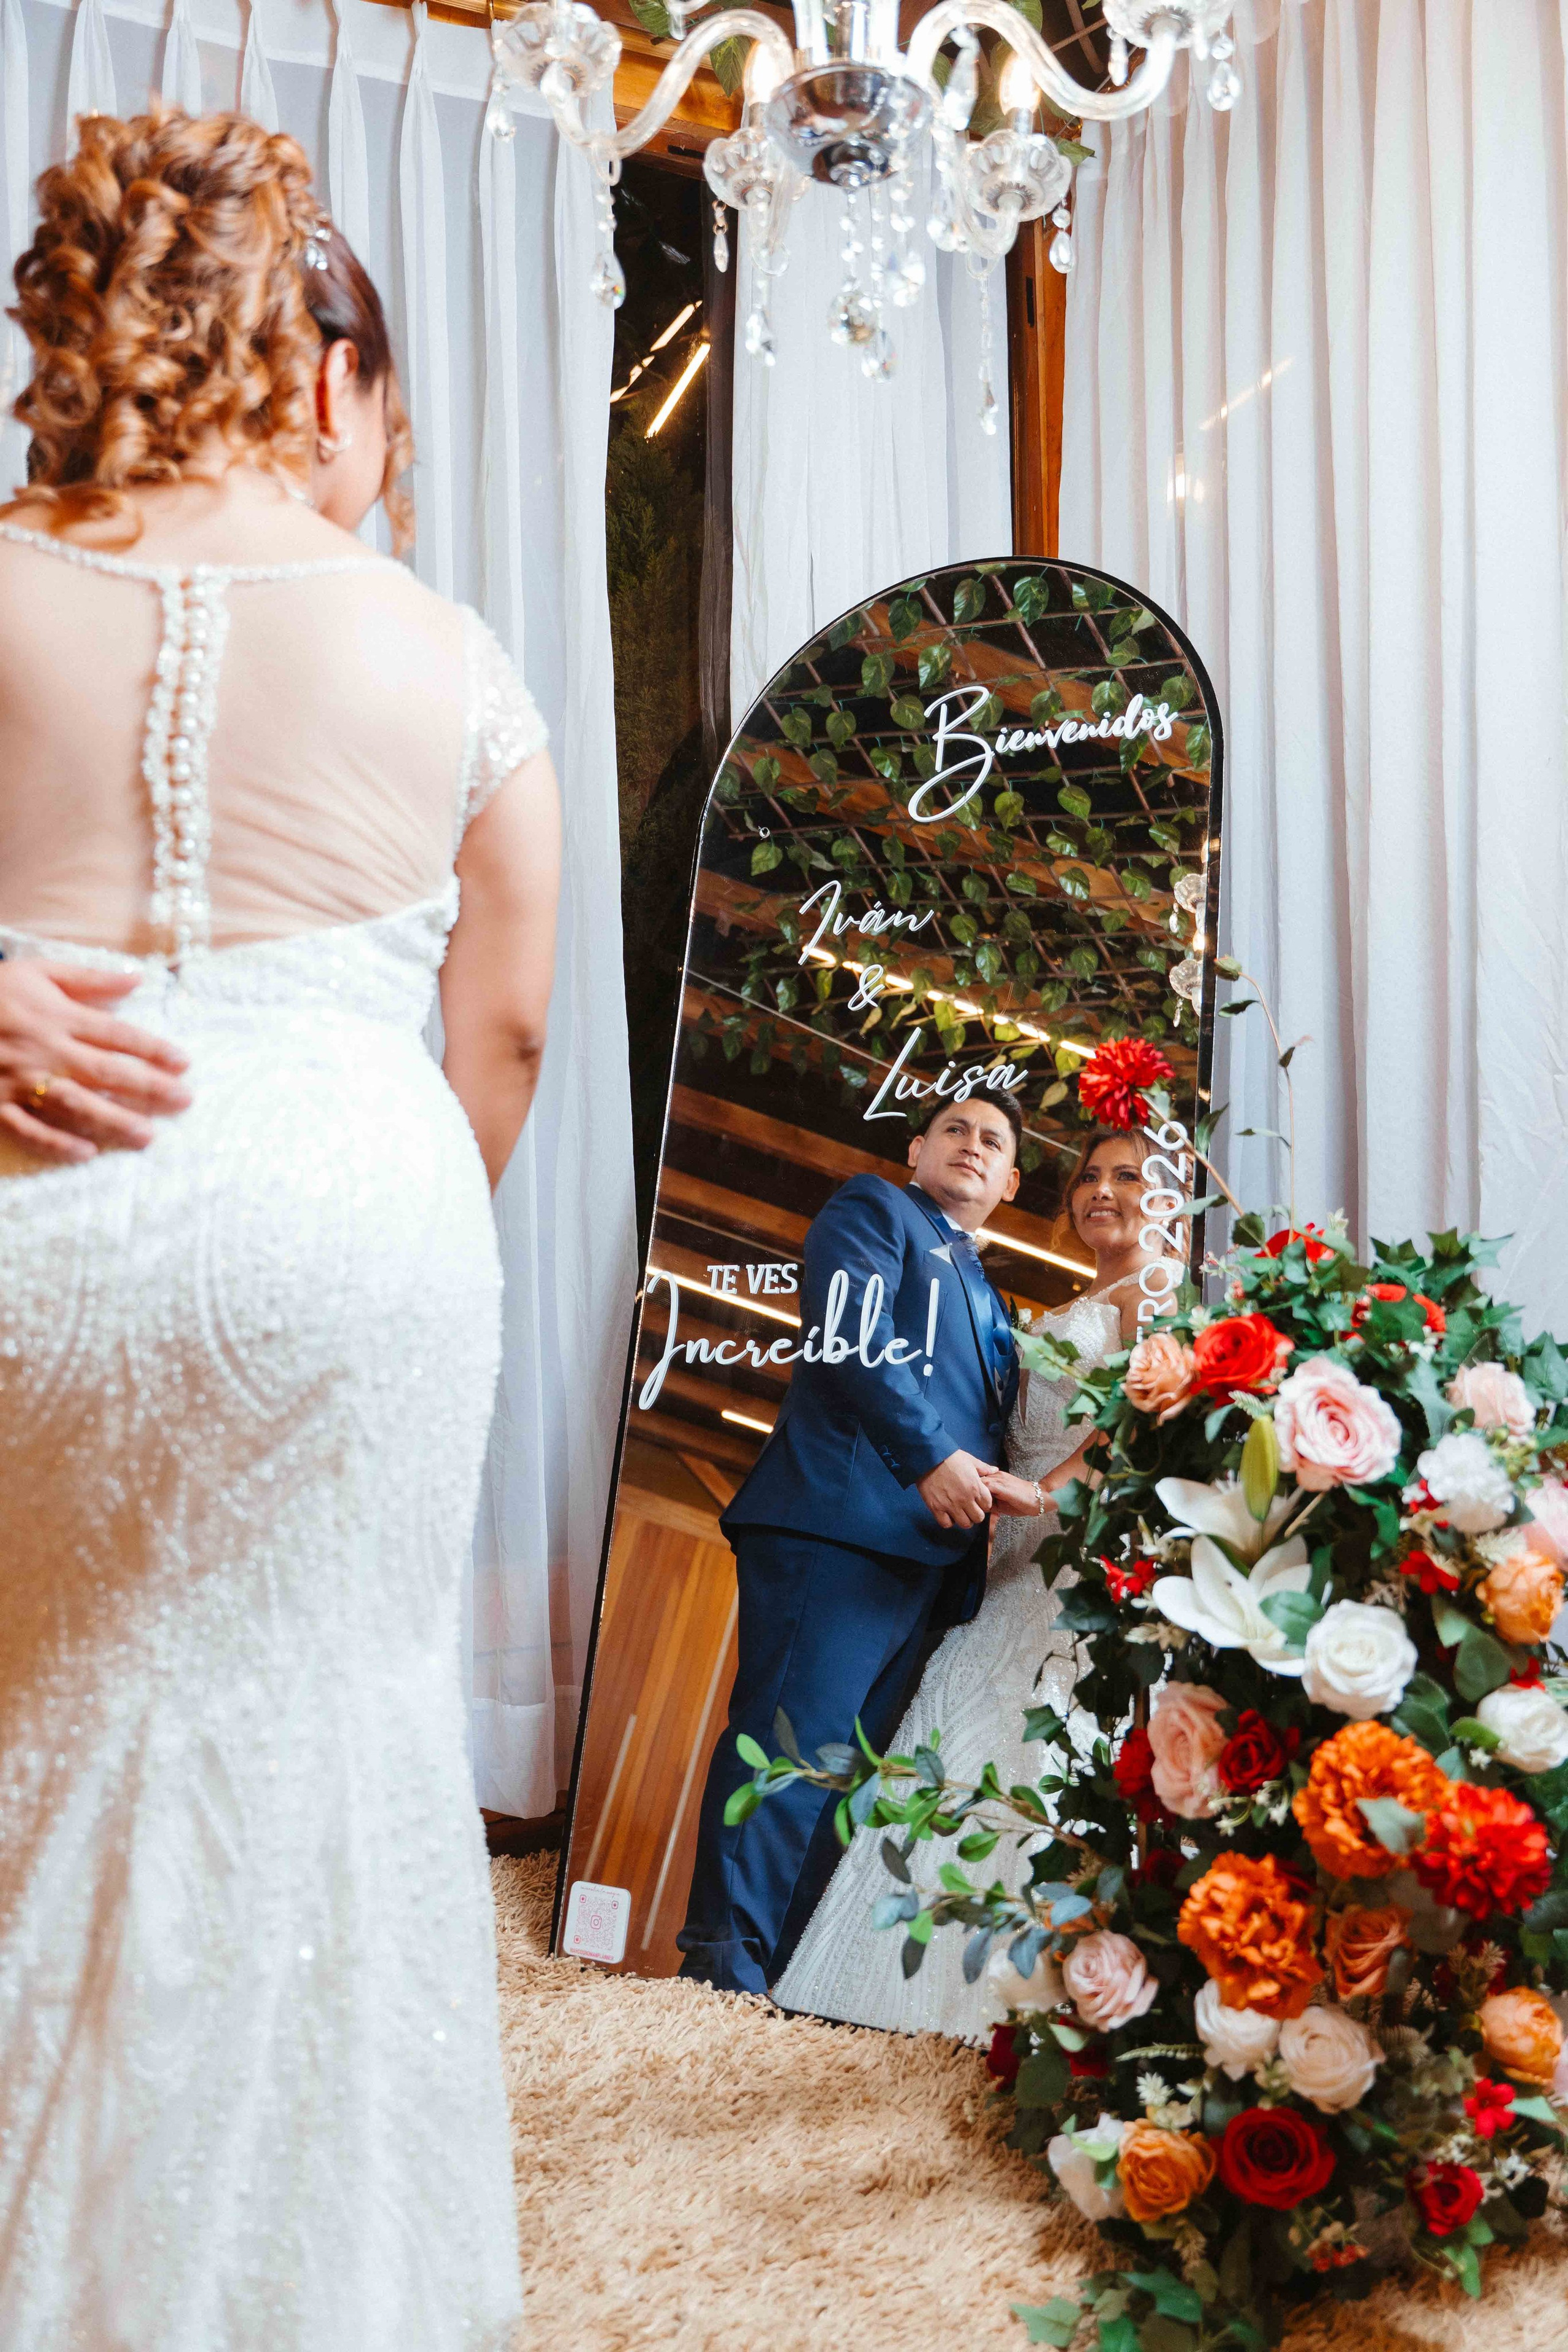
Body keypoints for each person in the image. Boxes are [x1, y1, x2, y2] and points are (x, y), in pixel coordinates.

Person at [0, 110, 560, 2350]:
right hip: (356, 1236)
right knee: (332, 1760)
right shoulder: (450, 651)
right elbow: (503, 1030)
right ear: (307, 368)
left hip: (42, 1226)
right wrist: (382, 1222)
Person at [772, 1127, 1174, 2038]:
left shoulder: (1159, 1292)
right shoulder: (1080, 1295)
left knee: (1033, 1748)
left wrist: (1038, 1496)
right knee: (949, 1727)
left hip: (1061, 1549)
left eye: (1127, 1176)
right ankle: (861, 1997)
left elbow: (1133, 1430)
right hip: (1001, 1556)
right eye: (1091, 1176)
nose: (1103, 1190)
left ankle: (984, 2011)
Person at [676, 1091, 1026, 1997]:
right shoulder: (876, 1210)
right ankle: (723, 1971)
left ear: (1012, 1183)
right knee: (790, 1751)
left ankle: (782, 1981)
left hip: (929, 1568)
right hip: (838, 1527)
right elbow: (849, 1341)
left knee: (846, 1790)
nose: (973, 1147)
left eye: (993, 1142)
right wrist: (928, 1458)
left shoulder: (991, 1294)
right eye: (956, 1129)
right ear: (918, 1148)